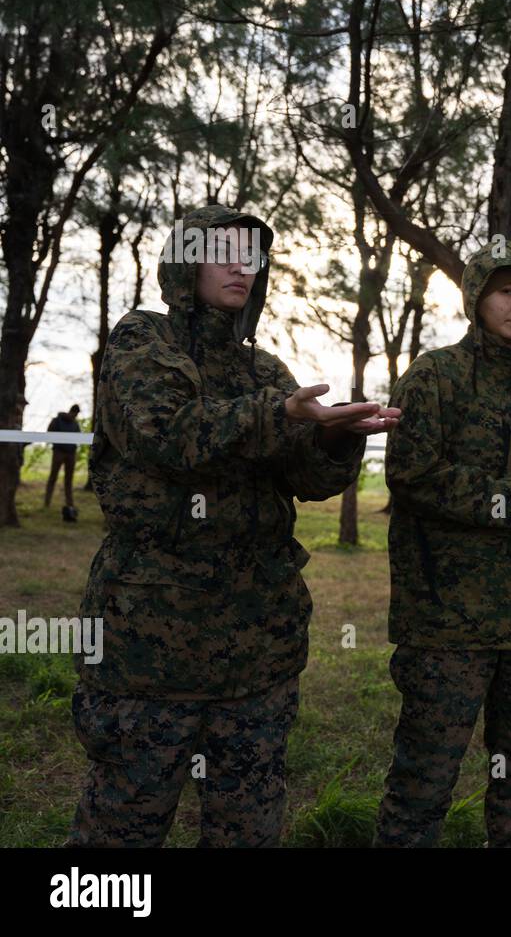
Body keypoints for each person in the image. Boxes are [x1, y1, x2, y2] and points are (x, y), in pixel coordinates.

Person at [67, 204, 400, 848]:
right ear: (185, 262)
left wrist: (335, 439)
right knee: (123, 827)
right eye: (223, 252)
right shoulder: (142, 342)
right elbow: (168, 436)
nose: (240, 267)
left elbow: (308, 481)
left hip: (257, 650)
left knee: (247, 826)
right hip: (150, 645)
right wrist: (280, 415)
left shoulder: (265, 369)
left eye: (250, 256)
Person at [376, 239, 511, 848]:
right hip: (448, 624)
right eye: (506, 292)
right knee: (423, 783)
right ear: (476, 298)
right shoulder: (435, 376)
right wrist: (509, 499)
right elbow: (411, 474)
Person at [45, 403, 81, 510]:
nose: (76, 416)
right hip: (59, 452)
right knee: (53, 477)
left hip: (71, 453)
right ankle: (47, 502)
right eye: (75, 413)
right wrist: (57, 444)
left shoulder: (75, 424)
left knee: (69, 479)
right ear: (72, 412)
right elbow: (49, 433)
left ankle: (69, 504)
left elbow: (79, 437)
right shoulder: (57, 420)